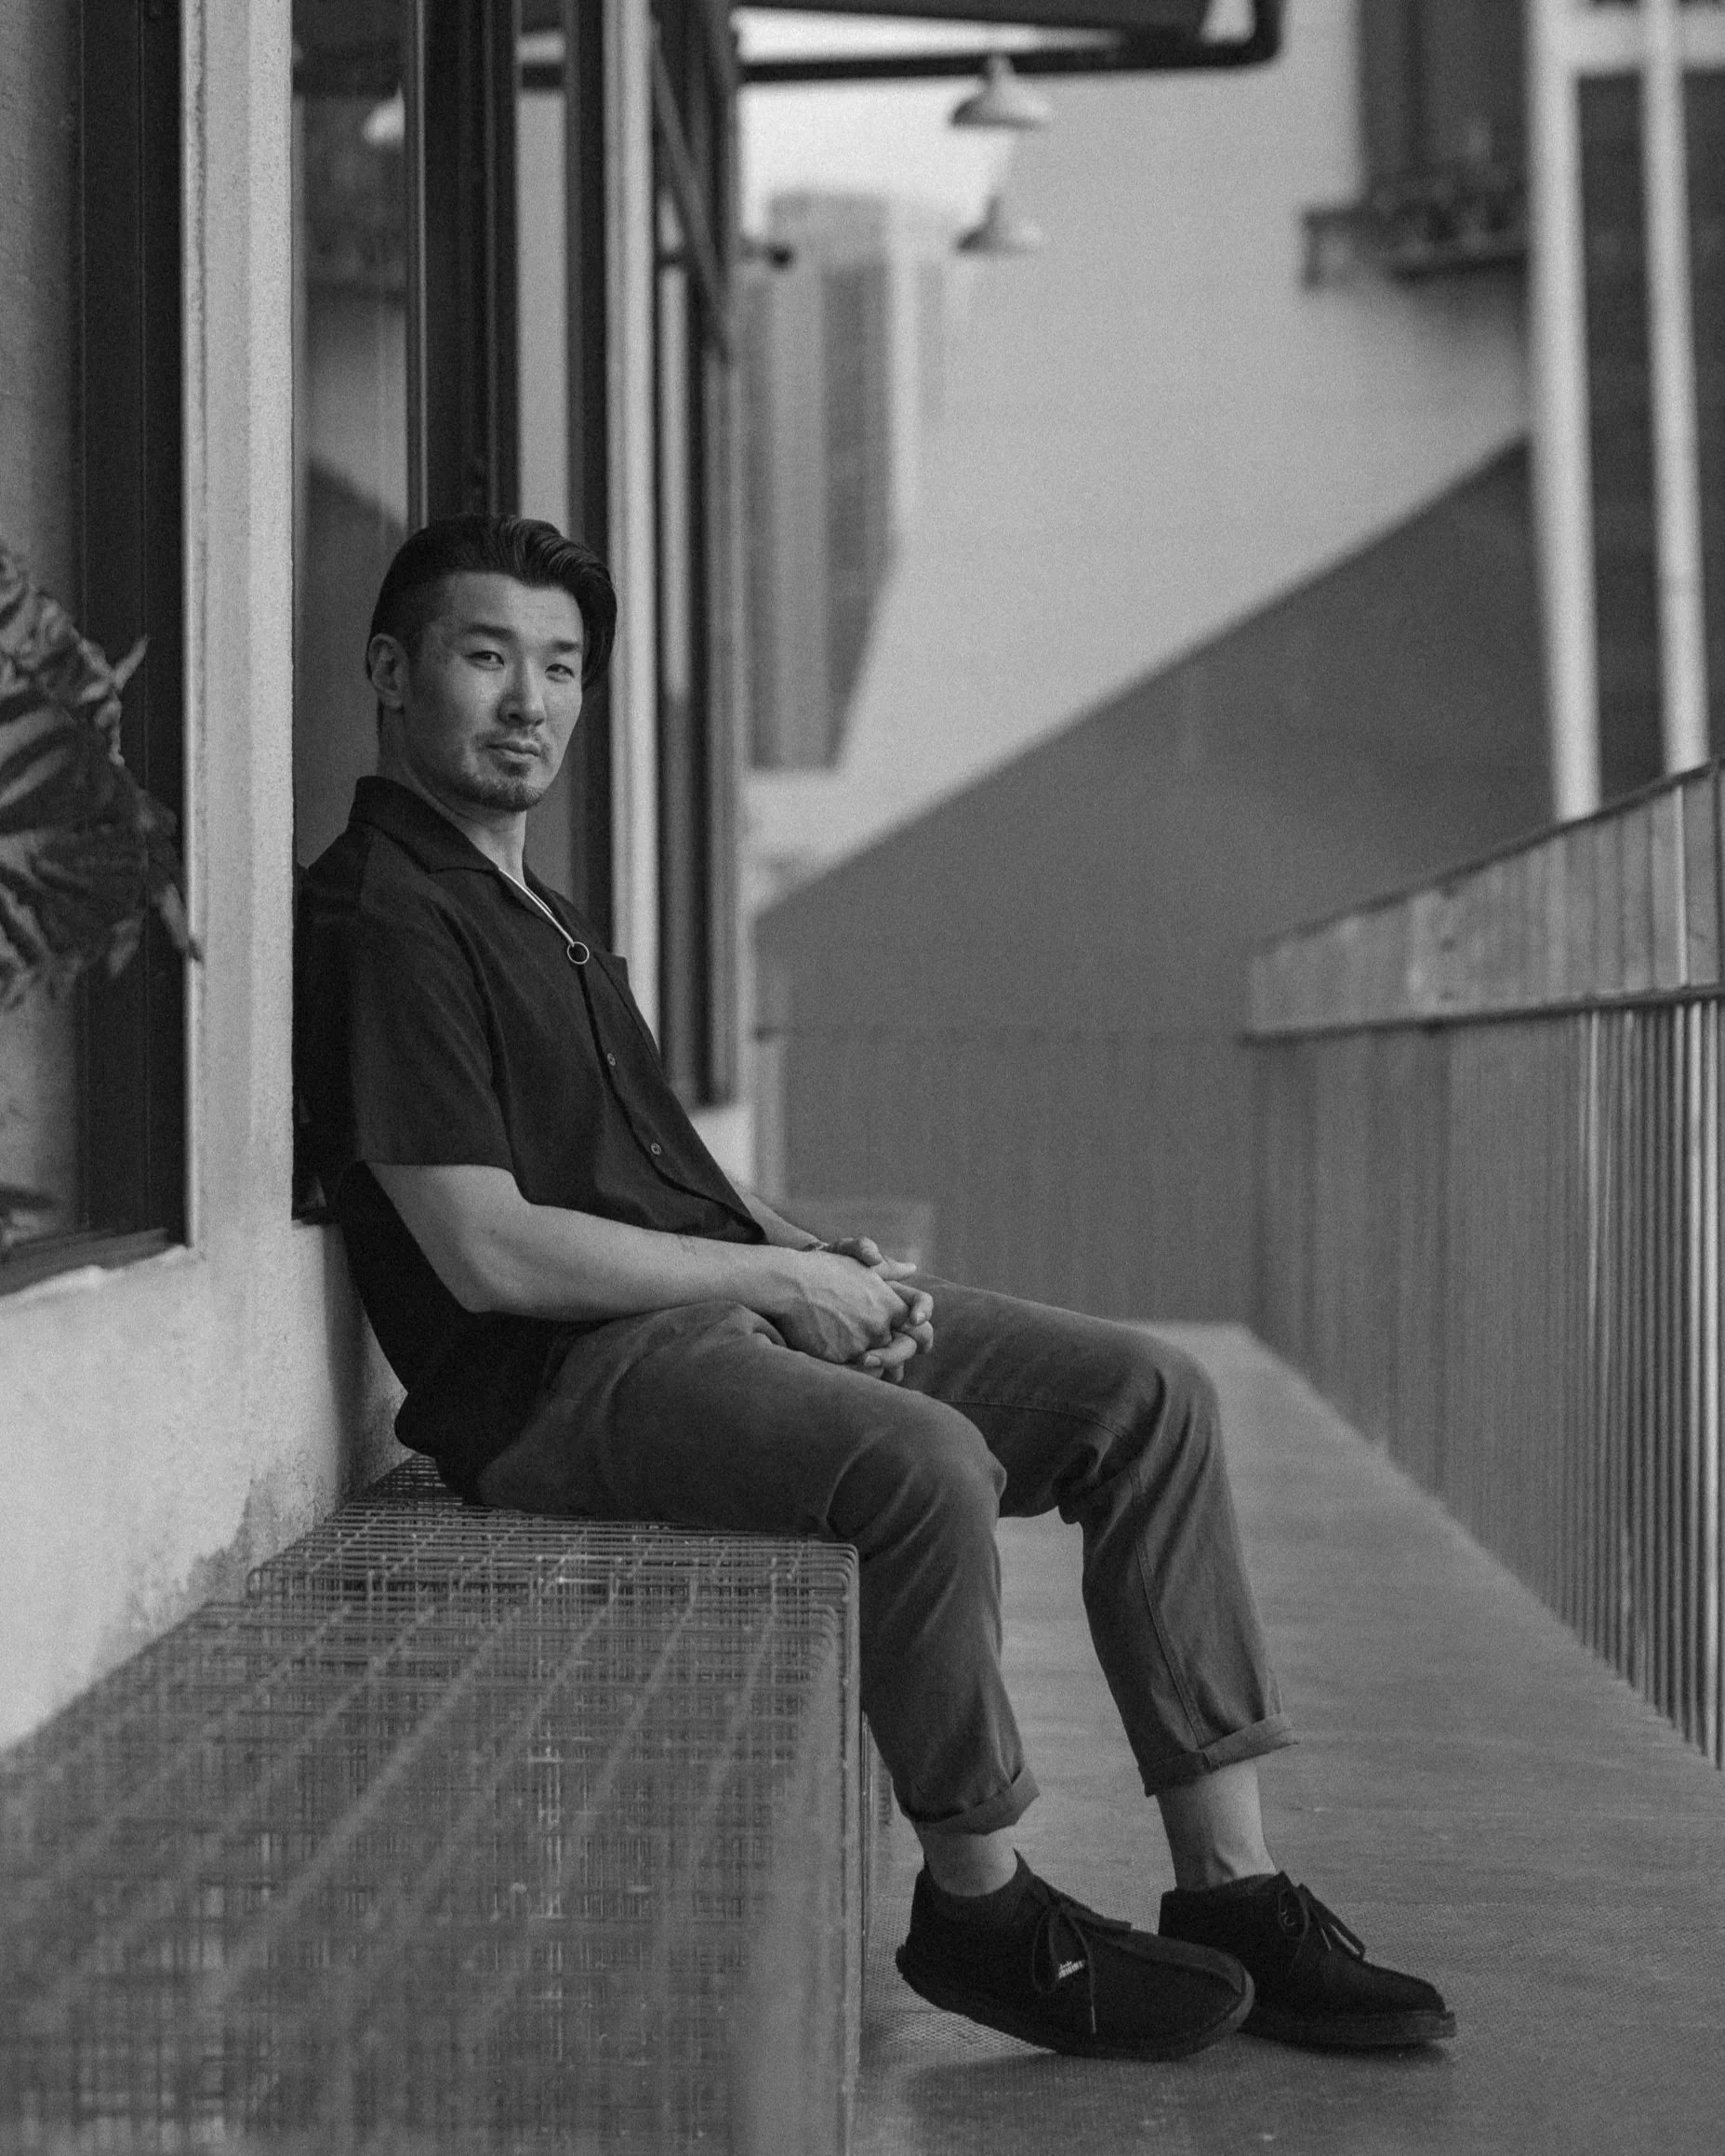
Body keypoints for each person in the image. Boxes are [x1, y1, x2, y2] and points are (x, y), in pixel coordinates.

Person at [297, 512, 1455, 2062]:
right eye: (487, 655)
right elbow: (484, 1247)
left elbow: (657, 1172)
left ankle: (1230, 1883)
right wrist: (768, 1275)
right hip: (555, 1385)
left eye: (562, 667)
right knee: (925, 1464)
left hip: (700, 1317)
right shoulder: (387, 912)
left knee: (1147, 1394)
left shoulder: (544, 912)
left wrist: (811, 1261)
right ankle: (980, 1906)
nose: (532, 701)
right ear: (389, 671)